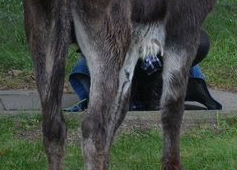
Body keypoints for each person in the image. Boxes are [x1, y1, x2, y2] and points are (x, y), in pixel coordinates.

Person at [66, 28, 222, 112]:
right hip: (116, 58)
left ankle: (157, 92)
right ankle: (123, 95)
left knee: (198, 42)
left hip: (159, 54)